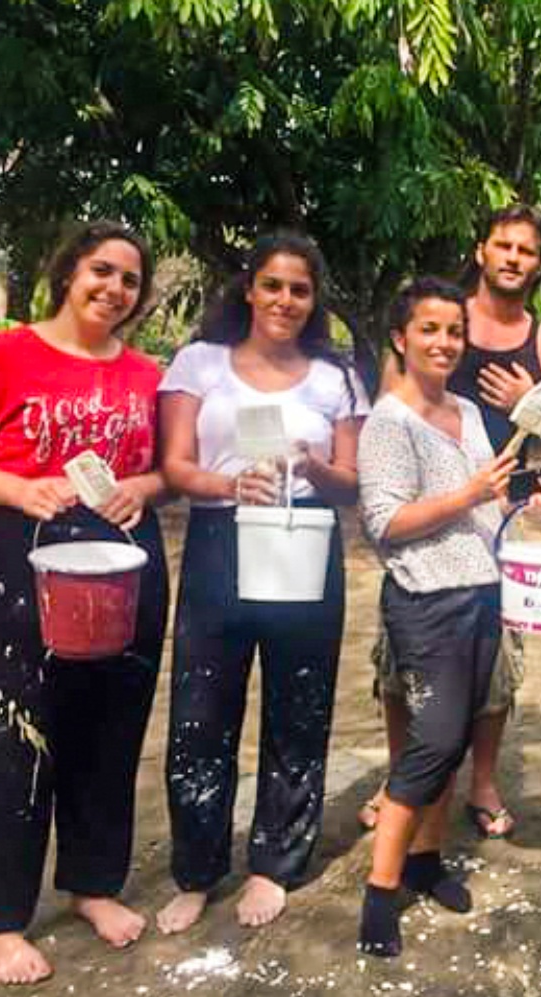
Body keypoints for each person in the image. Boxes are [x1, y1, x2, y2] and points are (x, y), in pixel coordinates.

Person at [0, 221, 170, 985]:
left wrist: (144, 486)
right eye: (102, 270)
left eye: (130, 279)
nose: (114, 289)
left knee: (111, 725)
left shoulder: (148, 376)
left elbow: (172, 469)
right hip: (11, 551)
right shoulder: (0, 356)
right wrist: (18, 488)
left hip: (122, 556)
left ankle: (93, 883)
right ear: (68, 273)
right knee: (14, 734)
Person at [155, 232, 368, 935]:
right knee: (201, 710)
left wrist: (314, 467)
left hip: (304, 537)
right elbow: (176, 466)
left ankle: (275, 862)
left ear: (314, 300)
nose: (285, 300)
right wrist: (229, 484)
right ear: (248, 288)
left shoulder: (335, 377)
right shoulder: (199, 363)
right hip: (221, 539)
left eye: (299, 290)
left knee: (299, 706)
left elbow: (351, 484)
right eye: (272, 285)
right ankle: (196, 871)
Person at [365, 204, 541, 840]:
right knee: (402, 666)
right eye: (503, 245)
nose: (513, 258)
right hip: (423, 516)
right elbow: (388, 412)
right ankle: (402, 777)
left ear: (539, 263)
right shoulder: (437, 319)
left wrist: (526, 404)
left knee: (495, 666)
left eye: (527, 250)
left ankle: (482, 781)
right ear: (481, 249)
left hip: (499, 516)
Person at [357, 277, 541, 957]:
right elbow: (385, 523)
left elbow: (486, 499)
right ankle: (379, 894)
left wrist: (520, 499)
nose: (444, 342)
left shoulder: (466, 410)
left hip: (483, 594)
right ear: (401, 338)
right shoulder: (389, 422)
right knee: (431, 745)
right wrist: (469, 493)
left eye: (453, 331)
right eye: (429, 330)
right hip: (426, 603)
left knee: (457, 740)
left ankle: (424, 862)